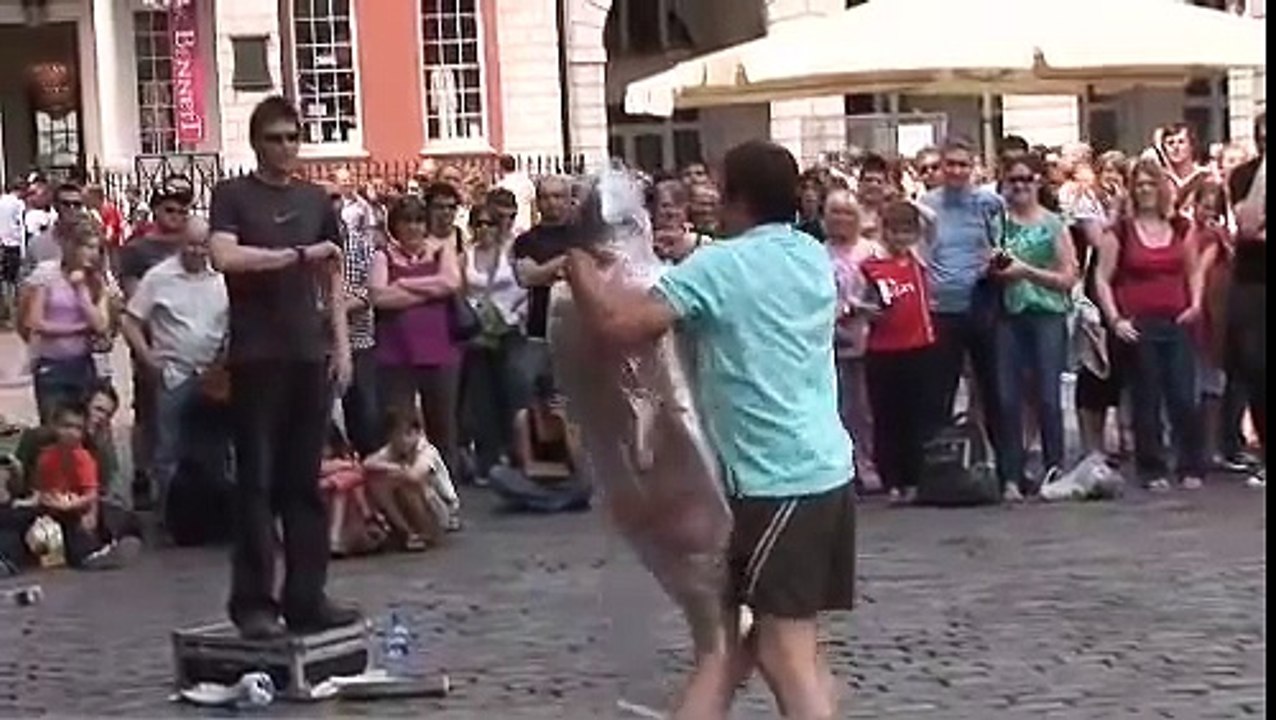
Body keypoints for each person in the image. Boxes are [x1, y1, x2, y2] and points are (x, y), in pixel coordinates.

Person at [564, 140, 854, 720]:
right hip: (824, 469)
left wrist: (576, 266)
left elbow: (621, 327)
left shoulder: (721, 267)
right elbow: (736, 270)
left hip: (775, 480)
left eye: (720, 190)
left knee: (780, 651)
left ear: (737, 197)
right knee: (770, 644)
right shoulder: (807, 252)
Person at [208, 95, 358, 640]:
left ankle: (306, 597)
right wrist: (294, 256)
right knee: (257, 483)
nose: (286, 147)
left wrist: (340, 347)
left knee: (304, 484)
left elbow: (333, 276)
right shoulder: (233, 195)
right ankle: (253, 603)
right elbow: (225, 257)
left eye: (293, 137)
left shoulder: (316, 198)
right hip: (256, 354)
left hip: (305, 353)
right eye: (275, 138)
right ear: (256, 142)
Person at [1094, 158, 1206, 492]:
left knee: (1184, 396)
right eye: (1139, 184)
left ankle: (1190, 464)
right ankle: (1152, 467)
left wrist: (1197, 304)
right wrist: (1115, 319)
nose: (1145, 190)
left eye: (1150, 183)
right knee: (1147, 399)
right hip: (1140, 323)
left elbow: (1194, 269)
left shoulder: (1180, 227)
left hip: (1177, 321)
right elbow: (1102, 278)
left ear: (1162, 188)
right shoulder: (1122, 231)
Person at [121, 230, 229, 520]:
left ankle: (214, 512)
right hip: (174, 374)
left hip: (213, 376)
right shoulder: (158, 277)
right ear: (181, 244)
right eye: (191, 244)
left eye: (202, 245)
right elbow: (130, 321)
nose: (196, 251)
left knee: (216, 446)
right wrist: (148, 358)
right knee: (168, 448)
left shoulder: (222, 277)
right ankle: (170, 515)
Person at [990, 153, 1079, 500]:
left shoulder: (1053, 223)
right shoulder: (998, 222)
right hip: (1008, 315)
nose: (1020, 186)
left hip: (1047, 314)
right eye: (1013, 180)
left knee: (1047, 396)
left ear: (1038, 182)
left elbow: (1068, 276)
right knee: (1008, 397)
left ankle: (1054, 469)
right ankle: (1011, 475)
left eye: (1027, 179)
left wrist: (1026, 271)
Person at [370, 190, 464, 480]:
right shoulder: (382, 256)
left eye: (418, 221)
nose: (413, 227)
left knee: (442, 426)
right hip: (396, 352)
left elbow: (450, 282)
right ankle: (406, 494)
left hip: (440, 350)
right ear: (395, 225)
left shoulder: (440, 250)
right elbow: (379, 297)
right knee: (400, 424)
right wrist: (428, 290)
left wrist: (406, 286)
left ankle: (447, 495)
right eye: (406, 221)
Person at [858, 201, 938, 505]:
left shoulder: (918, 259)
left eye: (907, 231)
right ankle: (892, 481)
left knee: (916, 416)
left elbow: (933, 224)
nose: (901, 238)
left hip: (918, 346)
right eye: (895, 231)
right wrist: (868, 311)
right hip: (882, 350)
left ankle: (914, 480)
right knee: (886, 417)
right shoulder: (871, 263)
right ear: (884, 231)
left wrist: (908, 202)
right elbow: (856, 301)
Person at [460, 195, 527, 481]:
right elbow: (460, 291)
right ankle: (487, 459)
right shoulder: (466, 256)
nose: (485, 229)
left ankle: (518, 455)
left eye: (491, 224)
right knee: (482, 399)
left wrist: (514, 314)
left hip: (507, 329)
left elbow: (524, 286)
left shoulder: (510, 252)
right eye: (480, 224)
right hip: (479, 333)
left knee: (512, 394)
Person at [29, 402, 140, 570]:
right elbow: (41, 488)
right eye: (66, 426)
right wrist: (42, 500)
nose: (71, 433)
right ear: (55, 427)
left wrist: (79, 507)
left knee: (81, 529)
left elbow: (91, 493)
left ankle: (96, 554)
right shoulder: (46, 457)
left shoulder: (82, 458)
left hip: (78, 509)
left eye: (77, 428)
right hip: (52, 510)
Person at [22, 224, 112, 424]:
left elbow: (100, 324)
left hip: (83, 363)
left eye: (97, 248)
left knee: (86, 426)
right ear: (73, 248)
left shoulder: (96, 282)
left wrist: (81, 289)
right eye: (87, 247)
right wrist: (78, 329)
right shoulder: (48, 275)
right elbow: (34, 321)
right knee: (54, 425)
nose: (92, 254)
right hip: (51, 364)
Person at [364, 408, 460, 550]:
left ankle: (424, 531)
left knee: (406, 483)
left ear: (417, 433)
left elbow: (415, 475)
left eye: (408, 434)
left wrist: (396, 471)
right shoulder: (391, 450)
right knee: (377, 482)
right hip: (410, 505)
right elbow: (367, 463)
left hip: (440, 509)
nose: (403, 441)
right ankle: (408, 532)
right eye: (397, 435)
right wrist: (393, 469)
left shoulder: (426, 451)